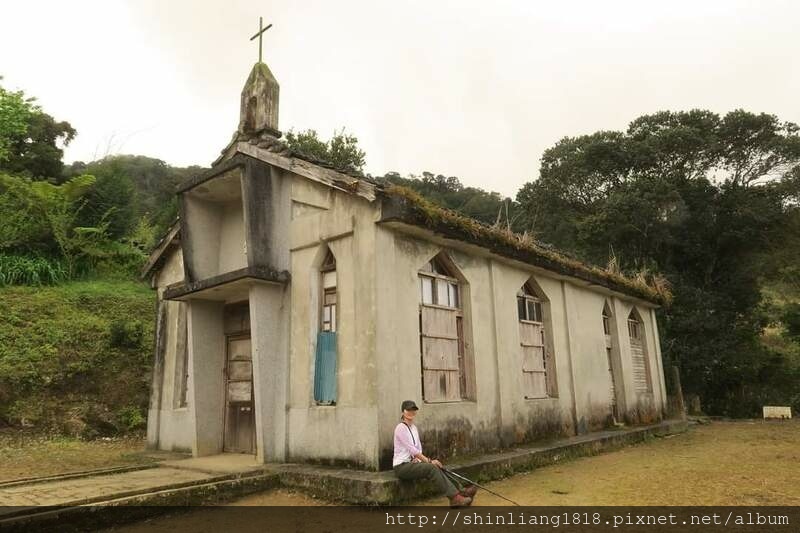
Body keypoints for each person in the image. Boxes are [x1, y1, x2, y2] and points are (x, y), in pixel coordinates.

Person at [392, 400, 477, 507]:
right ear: (403, 412)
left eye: (413, 410)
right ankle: (454, 498)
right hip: (401, 467)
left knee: (438, 466)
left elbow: (418, 449)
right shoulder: (400, 428)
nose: (411, 412)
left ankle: (461, 492)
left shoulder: (414, 428)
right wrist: (429, 461)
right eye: (408, 410)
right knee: (431, 467)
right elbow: (412, 449)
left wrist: (419, 460)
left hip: (412, 464)